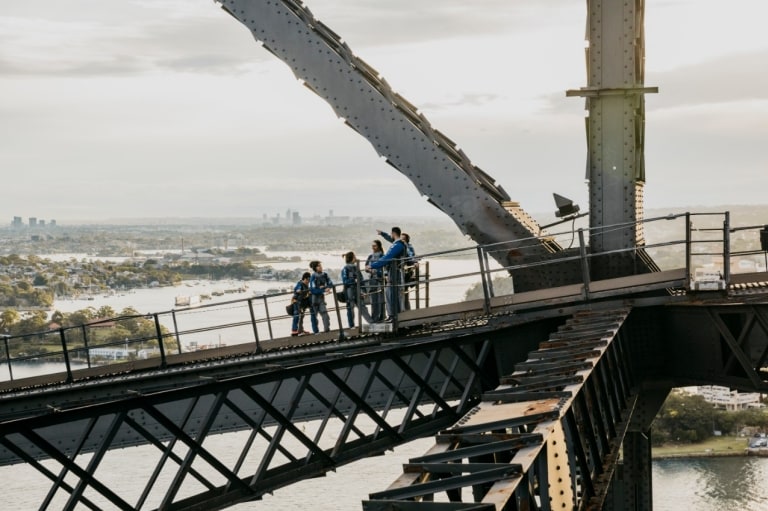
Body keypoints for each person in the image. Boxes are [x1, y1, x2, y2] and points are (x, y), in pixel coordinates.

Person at [367, 227, 407, 322]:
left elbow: (387, 257)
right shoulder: (399, 244)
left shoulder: (397, 245)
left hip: (394, 273)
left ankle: (393, 316)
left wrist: (373, 265)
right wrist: (383, 234)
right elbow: (390, 239)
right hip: (393, 272)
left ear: (393, 233)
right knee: (390, 294)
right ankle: (392, 315)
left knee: (392, 294)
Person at [341, 251, 373, 328]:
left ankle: (370, 322)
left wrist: (364, 291)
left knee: (361, 307)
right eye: (354, 256)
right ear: (351, 258)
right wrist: (354, 281)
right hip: (350, 290)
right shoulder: (346, 268)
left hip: (356, 290)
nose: (356, 258)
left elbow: (361, 280)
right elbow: (345, 280)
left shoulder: (355, 267)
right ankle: (352, 325)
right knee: (352, 308)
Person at [308, 260, 333, 333]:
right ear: (315, 268)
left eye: (320, 265)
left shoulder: (325, 274)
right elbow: (312, 289)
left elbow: (330, 283)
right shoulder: (313, 276)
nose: (321, 267)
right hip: (314, 298)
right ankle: (316, 332)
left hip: (321, 298)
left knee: (325, 313)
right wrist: (323, 290)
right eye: (319, 266)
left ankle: (327, 330)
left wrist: (327, 287)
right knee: (314, 316)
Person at [365, 239, 385, 322]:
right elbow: (366, 267)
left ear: (379, 246)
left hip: (380, 278)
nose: (373, 247)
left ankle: (382, 316)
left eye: (374, 245)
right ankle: (374, 317)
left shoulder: (383, 256)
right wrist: (370, 270)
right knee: (373, 299)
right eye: (372, 246)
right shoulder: (370, 256)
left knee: (381, 299)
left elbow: (385, 267)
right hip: (372, 278)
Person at [290, 272, 311, 336]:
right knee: (296, 314)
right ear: (304, 279)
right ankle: (294, 330)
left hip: (302, 302)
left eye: (309, 280)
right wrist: (298, 290)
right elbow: (297, 288)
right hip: (296, 301)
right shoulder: (300, 283)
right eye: (307, 280)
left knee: (301, 316)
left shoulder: (306, 285)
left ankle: (300, 329)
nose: (308, 282)